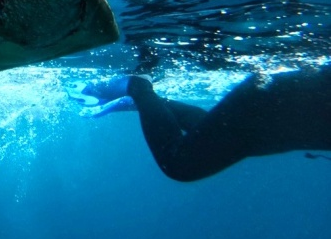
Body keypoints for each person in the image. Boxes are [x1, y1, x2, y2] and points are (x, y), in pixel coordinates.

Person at [68, 67, 331, 182]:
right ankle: (137, 86)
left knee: (216, 133)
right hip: (280, 103)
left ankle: (140, 97)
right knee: (180, 164)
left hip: (280, 104)